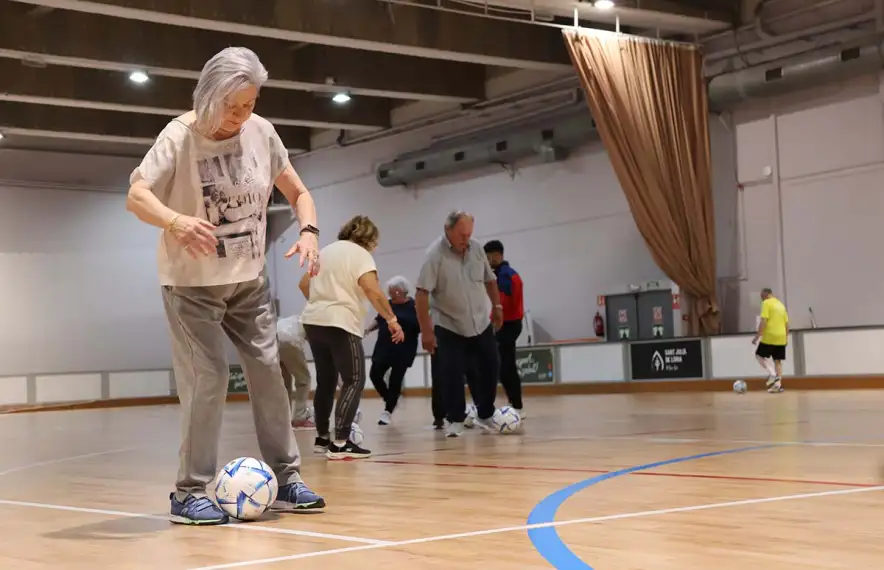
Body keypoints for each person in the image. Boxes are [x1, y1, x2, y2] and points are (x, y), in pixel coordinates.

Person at [125, 47, 324, 525]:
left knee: (269, 371)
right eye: (232, 106)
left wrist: (309, 232)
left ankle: (286, 479)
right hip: (190, 286)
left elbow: (298, 191)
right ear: (208, 96)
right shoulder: (179, 136)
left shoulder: (262, 132)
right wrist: (175, 221)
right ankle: (189, 492)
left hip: (248, 283)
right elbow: (136, 195)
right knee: (209, 377)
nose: (240, 116)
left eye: (249, 104)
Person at [299, 215, 404, 459]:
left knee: (326, 381)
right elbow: (372, 290)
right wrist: (391, 320)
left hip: (313, 321)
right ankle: (340, 442)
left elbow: (303, 284)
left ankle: (322, 438)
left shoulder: (326, 251)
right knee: (354, 378)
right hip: (341, 323)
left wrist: (321, 304)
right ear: (370, 239)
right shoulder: (360, 255)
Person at [416, 211, 503, 438]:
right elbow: (422, 293)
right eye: (462, 235)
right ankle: (455, 419)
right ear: (448, 230)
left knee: (490, 366)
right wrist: (426, 331)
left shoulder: (477, 249)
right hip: (449, 324)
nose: (466, 239)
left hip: (480, 322)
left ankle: (485, 413)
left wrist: (497, 306)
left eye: (469, 234)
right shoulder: (434, 255)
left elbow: (490, 280)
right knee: (451, 374)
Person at [365, 276, 420, 426]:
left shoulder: (413, 306)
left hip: (403, 348)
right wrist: (367, 330)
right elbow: (379, 319)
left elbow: (420, 325)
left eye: (393, 291)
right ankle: (389, 398)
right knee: (375, 375)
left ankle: (387, 412)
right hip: (384, 346)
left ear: (402, 291)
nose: (390, 294)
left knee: (396, 380)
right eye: (389, 291)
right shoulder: (387, 304)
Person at [484, 240, 526, 417]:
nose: (486, 261)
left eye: (488, 257)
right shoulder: (506, 274)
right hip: (509, 324)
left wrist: (493, 320)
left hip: (508, 324)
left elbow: (502, 303)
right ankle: (514, 403)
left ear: (496, 256)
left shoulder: (504, 276)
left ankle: (517, 405)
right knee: (504, 365)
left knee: (506, 366)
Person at [277, 314, 315, 430]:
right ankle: (300, 417)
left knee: (284, 381)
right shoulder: (314, 321)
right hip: (290, 341)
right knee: (304, 380)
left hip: (273, 340)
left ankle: (284, 418)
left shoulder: (296, 318)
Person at [752, 288, 789, 394]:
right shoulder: (781, 305)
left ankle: (772, 374)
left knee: (759, 355)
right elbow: (786, 324)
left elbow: (763, 321)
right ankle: (778, 385)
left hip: (770, 336)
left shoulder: (766, 303)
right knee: (777, 361)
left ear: (766, 295)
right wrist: (786, 338)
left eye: (762, 297)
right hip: (781, 336)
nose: (761, 300)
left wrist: (757, 337)